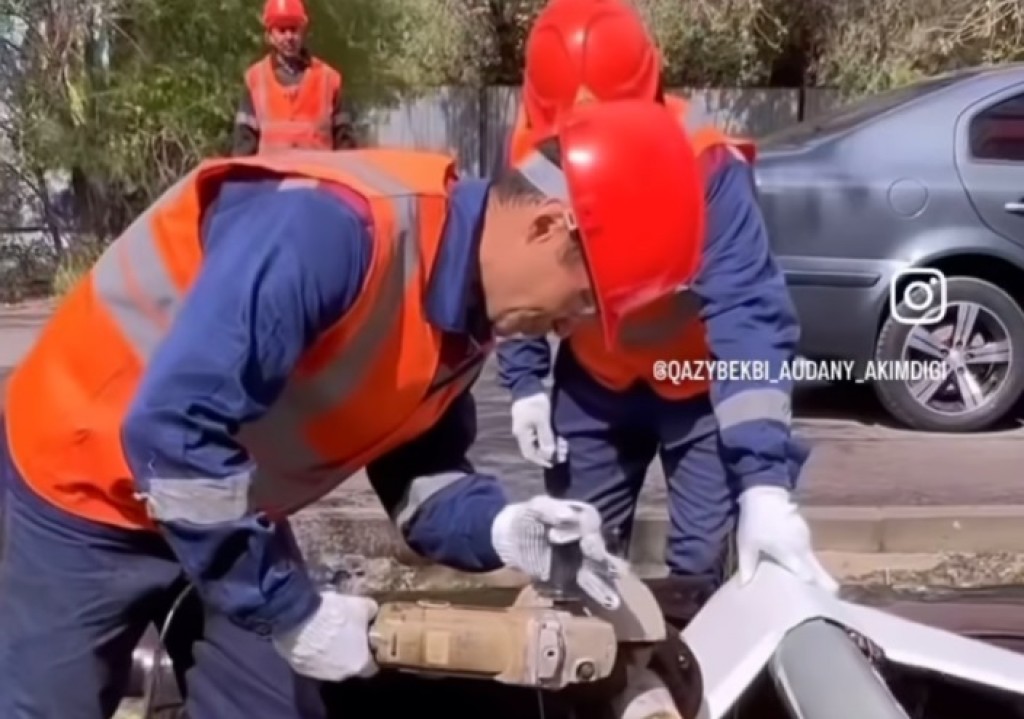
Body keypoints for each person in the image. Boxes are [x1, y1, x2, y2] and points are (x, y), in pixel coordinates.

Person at [0, 100, 701, 719]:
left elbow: (423, 484)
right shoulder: (334, 231)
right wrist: (291, 612)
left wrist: (508, 527)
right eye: (584, 300)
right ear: (551, 227)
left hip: (227, 507)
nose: (569, 326)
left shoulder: (465, 319)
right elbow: (173, 430)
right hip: (80, 489)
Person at [499, 0, 838, 595]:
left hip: (696, 387)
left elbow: (746, 311)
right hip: (595, 385)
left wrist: (763, 481)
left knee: (700, 574)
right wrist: (526, 383)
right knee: (572, 564)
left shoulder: (704, 163)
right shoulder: (537, 158)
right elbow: (517, 272)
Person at [232, 0, 356, 155]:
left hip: (316, 176)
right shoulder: (255, 79)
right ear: (270, 35)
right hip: (273, 178)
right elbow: (244, 144)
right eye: (282, 30)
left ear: (302, 32)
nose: (289, 37)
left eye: (293, 29)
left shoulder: (329, 79)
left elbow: (345, 143)